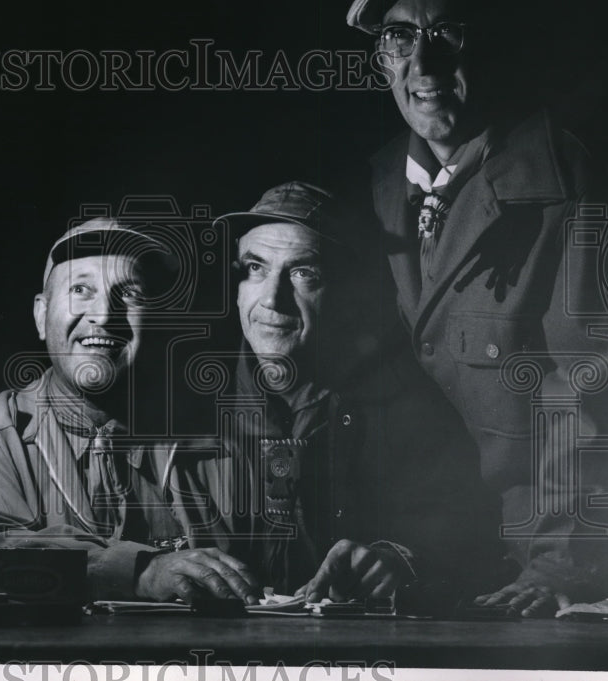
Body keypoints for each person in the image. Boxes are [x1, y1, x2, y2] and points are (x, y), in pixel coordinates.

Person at [345, 0, 608, 615]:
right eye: (401, 39)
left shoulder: (564, 179)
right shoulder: (383, 182)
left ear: (495, 43)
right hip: (434, 540)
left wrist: (560, 565)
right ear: (383, 63)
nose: (425, 65)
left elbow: (584, 392)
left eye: (450, 34)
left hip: (541, 552)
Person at [185, 181, 511, 603]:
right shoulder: (186, 404)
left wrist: (396, 559)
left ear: (343, 292)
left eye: (304, 273)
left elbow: (469, 538)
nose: (272, 299)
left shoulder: (410, 409)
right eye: (255, 268)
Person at [0, 217, 260, 604]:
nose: (104, 315)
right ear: (41, 315)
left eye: (130, 294)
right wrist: (141, 571)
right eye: (81, 289)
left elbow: (278, 577)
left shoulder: (223, 445)